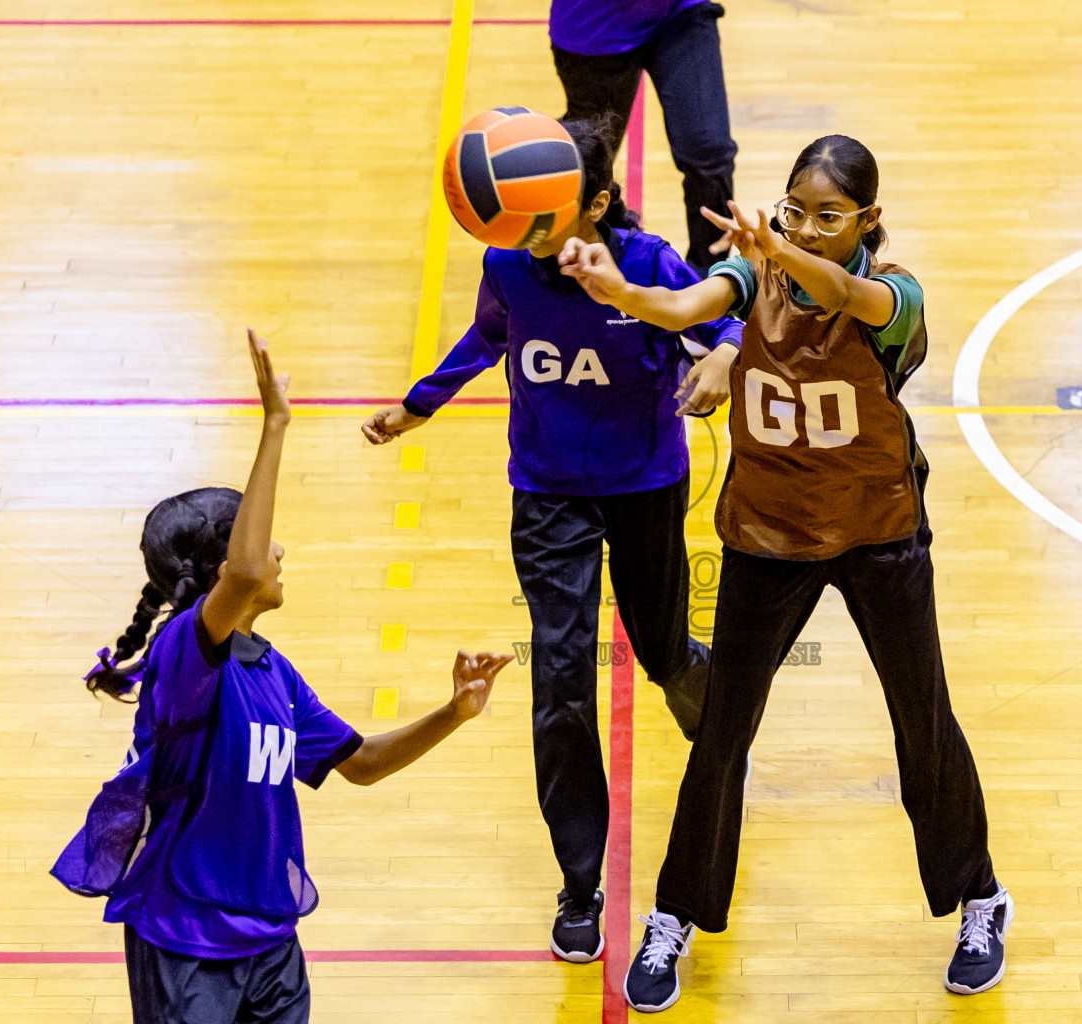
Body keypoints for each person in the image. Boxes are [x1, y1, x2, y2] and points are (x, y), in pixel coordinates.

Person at [560, 134, 1010, 1010]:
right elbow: (687, 303)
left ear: (869, 222)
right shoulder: (751, 275)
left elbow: (842, 292)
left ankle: (979, 898)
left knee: (922, 722)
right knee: (723, 732)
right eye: (795, 209)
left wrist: (786, 251)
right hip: (767, 536)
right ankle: (675, 916)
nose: (806, 225)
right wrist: (617, 292)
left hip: (878, 532)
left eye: (829, 216)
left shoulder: (896, 295)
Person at [359, 118, 743, 964]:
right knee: (561, 682)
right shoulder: (509, 265)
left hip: (645, 487)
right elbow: (489, 336)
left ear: (596, 203)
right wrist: (420, 404)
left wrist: (721, 357)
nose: (531, 240)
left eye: (548, 218)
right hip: (546, 495)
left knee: (663, 653)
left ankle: (722, 744)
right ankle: (579, 880)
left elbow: (719, 320)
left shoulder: (644, 266)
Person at [52, 329, 513, 1024]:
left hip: (271, 941)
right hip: (187, 941)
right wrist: (275, 425)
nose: (279, 549)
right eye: (262, 537)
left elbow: (361, 763)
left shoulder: (274, 673)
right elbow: (243, 571)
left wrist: (454, 712)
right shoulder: (184, 655)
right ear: (221, 568)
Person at [548, 0, 737, 275]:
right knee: (588, 164)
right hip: (594, 31)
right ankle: (611, 255)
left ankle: (706, 285)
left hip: (678, 14)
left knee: (708, 151)